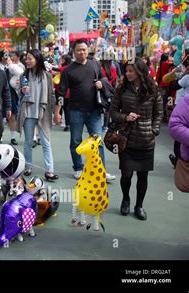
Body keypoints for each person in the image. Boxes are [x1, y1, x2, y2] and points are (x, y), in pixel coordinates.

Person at [109, 58, 163, 221]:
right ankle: (126, 199)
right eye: (126, 71)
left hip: (146, 141)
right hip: (127, 139)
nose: (127, 74)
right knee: (126, 175)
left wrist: (154, 130)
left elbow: (158, 113)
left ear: (140, 71)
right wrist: (125, 117)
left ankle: (139, 206)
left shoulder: (152, 89)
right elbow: (112, 111)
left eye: (131, 71)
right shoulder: (121, 88)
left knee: (143, 176)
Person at [55, 39, 116, 181]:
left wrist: (101, 83)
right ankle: (78, 168)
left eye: (84, 49)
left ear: (87, 50)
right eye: (78, 50)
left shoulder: (94, 65)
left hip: (94, 111)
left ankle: (101, 171)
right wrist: (57, 112)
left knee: (97, 142)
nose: (82, 52)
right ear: (73, 52)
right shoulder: (68, 70)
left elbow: (102, 78)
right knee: (76, 141)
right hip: (75, 111)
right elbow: (61, 92)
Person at [18, 49, 58, 181]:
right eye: (26, 59)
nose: (27, 61)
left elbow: (52, 95)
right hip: (28, 113)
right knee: (28, 142)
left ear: (37, 59)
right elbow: (20, 94)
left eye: (30, 58)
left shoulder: (47, 75)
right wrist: (22, 91)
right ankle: (28, 166)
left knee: (46, 142)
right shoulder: (24, 75)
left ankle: (49, 171)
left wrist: (53, 112)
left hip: (43, 113)